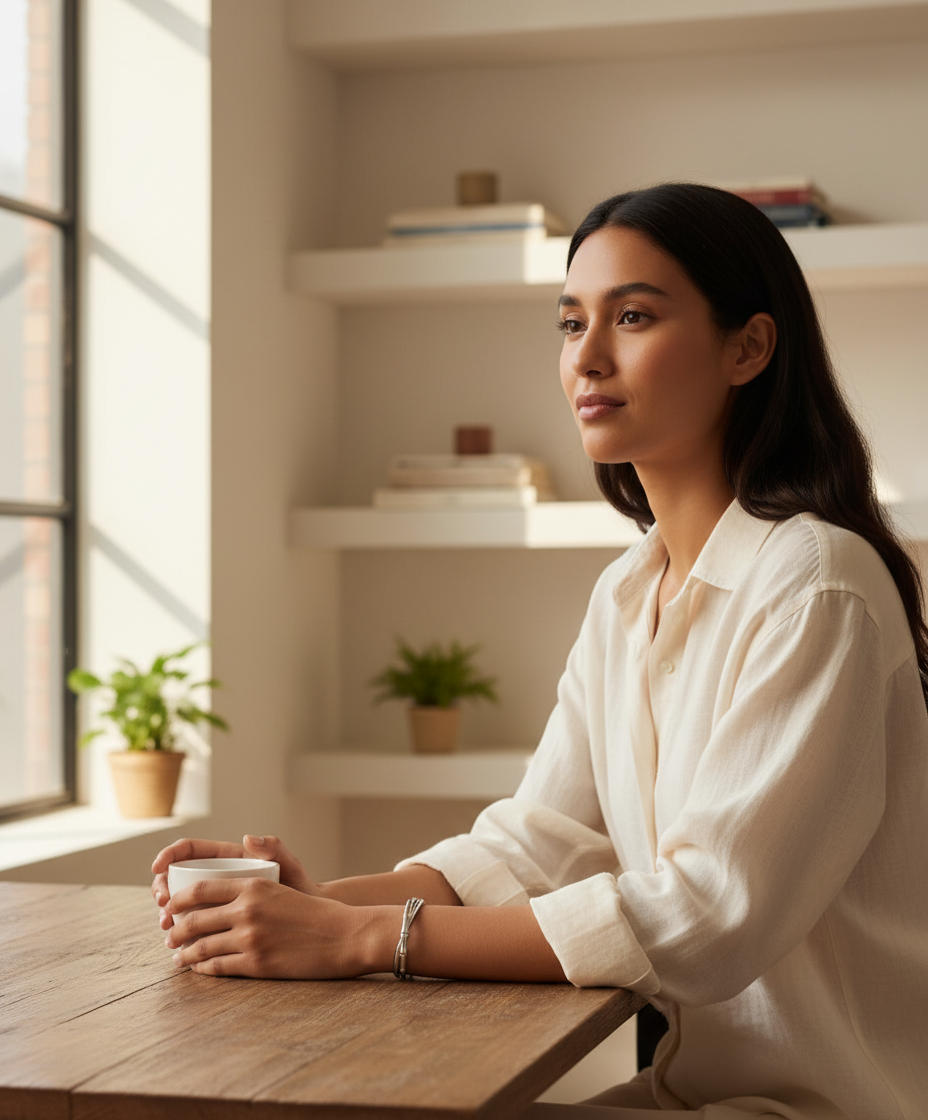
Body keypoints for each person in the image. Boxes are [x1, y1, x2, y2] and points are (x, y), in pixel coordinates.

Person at [151, 183, 928, 1119]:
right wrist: (316, 908)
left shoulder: (817, 584)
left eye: (633, 316)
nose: (587, 358)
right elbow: (537, 841)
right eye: (570, 323)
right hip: (695, 1093)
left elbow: (707, 916)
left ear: (748, 348)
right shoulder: (630, 590)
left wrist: (364, 941)